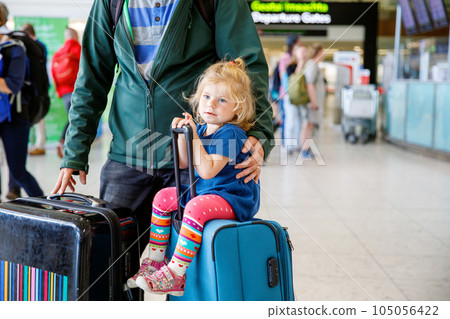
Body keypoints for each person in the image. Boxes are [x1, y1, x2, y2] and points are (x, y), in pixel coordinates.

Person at [51, 1, 274, 258]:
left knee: (192, 270)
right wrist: (74, 151)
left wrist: (259, 132)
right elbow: (91, 78)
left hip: (197, 164)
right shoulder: (111, 3)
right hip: (128, 155)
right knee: (113, 265)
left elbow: (246, 66)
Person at [128, 58, 260, 296]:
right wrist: (182, 136)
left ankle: (176, 274)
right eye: (207, 97)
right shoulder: (200, 129)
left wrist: (195, 139)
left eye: (222, 100)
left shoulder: (232, 133)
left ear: (237, 108)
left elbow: (207, 170)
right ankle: (156, 262)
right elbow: (184, 163)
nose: (211, 104)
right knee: (162, 197)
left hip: (233, 197)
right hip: (209, 192)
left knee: (195, 208)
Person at [0, 2, 44, 198]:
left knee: (18, 171)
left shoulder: (15, 48)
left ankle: (45, 208)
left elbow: (12, 85)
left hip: (16, 116)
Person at [50, 27, 81, 159]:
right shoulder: (79, 49)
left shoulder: (58, 53)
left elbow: (53, 74)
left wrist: (58, 91)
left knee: (71, 117)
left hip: (64, 92)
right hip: (78, 90)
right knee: (77, 119)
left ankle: (65, 144)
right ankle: (66, 143)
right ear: (75, 36)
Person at [21, 22, 49, 156]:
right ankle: (36, 144)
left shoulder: (38, 46)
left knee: (38, 115)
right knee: (36, 115)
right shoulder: (39, 46)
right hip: (36, 86)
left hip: (36, 87)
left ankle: (39, 144)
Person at [300, 43, 326, 158]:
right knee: (308, 125)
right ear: (319, 52)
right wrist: (314, 102)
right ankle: (305, 149)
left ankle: (306, 148)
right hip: (311, 103)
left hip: (312, 102)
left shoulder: (313, 65)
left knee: (309, 125)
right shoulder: (312, 65)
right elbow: (309, 84)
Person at [278, 35, 302, 145]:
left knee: (293, 120)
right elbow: (284, 77)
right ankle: (286, 145)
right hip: (286, 94)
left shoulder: (294, 58)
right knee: (287, 120)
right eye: (299, 42)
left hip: (293, 94)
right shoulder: (286, 59)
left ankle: (291, 144)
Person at [284, 44, 308, 153]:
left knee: (301, 122)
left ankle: (298, 145)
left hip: (302, 98)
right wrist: (301, 64)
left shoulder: (308, 66)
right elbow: (294, 80)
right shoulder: (290, 66)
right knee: (291, 122)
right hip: (291, 98)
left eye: (305, 52)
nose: (304, 54)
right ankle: (289, 146)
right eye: (301, 52)